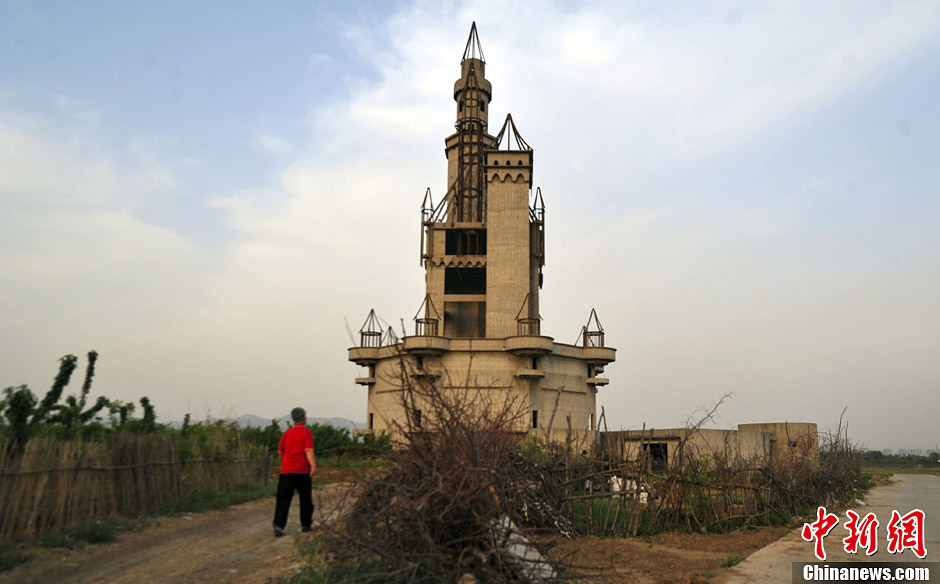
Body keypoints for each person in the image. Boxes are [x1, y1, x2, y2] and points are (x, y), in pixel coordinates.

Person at [272, 407, 317, 536]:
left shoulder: (287, 433)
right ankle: (306, 524)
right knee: (305, 499)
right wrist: (313, 465)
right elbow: (308, 449)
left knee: (283, 499)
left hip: (287, 471)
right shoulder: (307, 433)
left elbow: (280, 452)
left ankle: (279, 525)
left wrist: (286, 461)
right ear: (304, 419)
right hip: (302, 471)